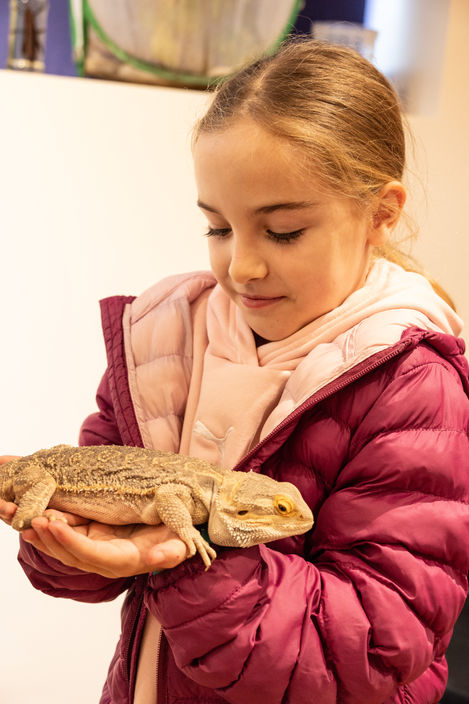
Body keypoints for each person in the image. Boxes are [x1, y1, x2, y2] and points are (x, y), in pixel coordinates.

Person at [1, 38, 469, 704]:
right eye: (218, 228)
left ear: (380, 213)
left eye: (281, 232)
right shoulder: (163, 336)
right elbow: (95, 513)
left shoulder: (410, 384)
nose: (241, 267)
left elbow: (370, 648)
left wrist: (179, 561)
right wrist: (66, 547)